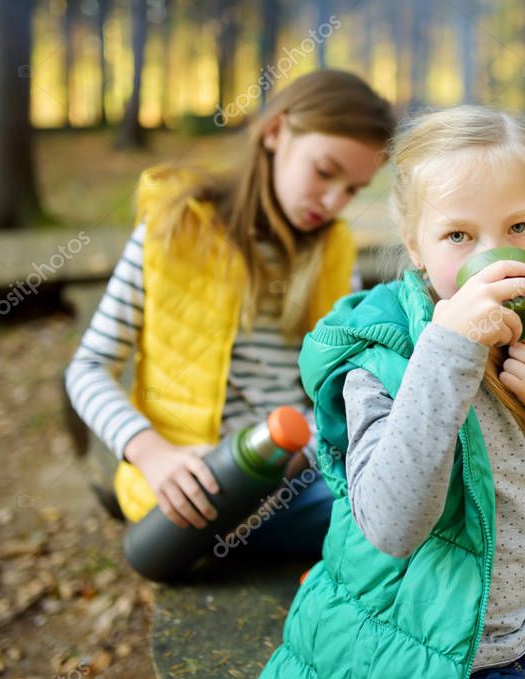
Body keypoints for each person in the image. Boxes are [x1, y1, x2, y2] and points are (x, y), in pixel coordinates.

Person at [259, 106, 525, 679]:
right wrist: (450, 350)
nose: (494, 256)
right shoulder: (380, 361)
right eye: (458, 235)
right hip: (418, 655)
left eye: (519, 228)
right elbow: (393, 529)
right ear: (415, 246)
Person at [64, 69, 395, 560]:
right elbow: (88, 368)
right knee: (391, 517)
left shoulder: (333, 252)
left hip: (296, 484)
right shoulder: (175, 227)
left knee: (404, 500)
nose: (333, 202)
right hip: (185, 492)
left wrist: (304, 450)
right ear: (275, 131)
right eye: (325, 172)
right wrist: (152, 454)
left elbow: (338, 386)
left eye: (352, 190)